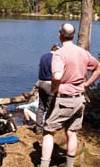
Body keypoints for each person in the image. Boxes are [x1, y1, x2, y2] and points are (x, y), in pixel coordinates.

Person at [39, 22, 100, 167]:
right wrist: (86, 84)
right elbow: (98, 67)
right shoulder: (82, 52)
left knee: (48, 132)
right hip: (79, 100)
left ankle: (44, 165)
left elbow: (58, 76)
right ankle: (70, 165)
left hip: (63, 100)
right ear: (72, 36)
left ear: (60, 35)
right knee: (72, 132)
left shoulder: (59, 54)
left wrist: (54, 89)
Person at [36, 44, 60, 134]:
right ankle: (48, 128)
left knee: (41, 107)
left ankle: (38, 129)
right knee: (51, 106)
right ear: (57, 50)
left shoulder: (43, 56)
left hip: (40, 82)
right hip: (49, 84)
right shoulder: (55, 58)